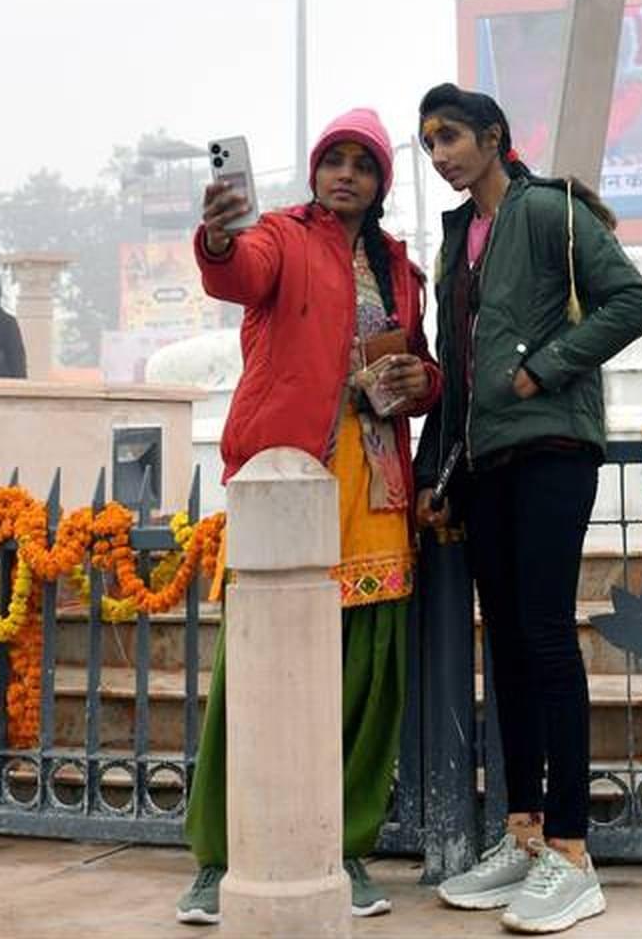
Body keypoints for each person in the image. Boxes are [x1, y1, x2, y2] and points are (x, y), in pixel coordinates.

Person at [177, 108, 442, 925]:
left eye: (365, 165)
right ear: (316, 170)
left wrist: (415, 385)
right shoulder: (282, 237)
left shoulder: (400, 267)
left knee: (366, 677)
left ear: (381, 183)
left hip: (377, 483)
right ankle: (220, 859)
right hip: (288, 477)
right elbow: (237, 275)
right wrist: (219, 238)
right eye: (336, 160)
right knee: (255, 675)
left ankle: (345, 847)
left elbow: (425, 369)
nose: (349, 176)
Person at [413, 83, 642, 935]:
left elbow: (634, 301)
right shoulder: (457, 240)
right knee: (508, 647)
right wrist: (431, 471)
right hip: (483, 465)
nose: (440, 156)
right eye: (429, 144)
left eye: (450, 138)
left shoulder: (550, 211)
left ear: (493, 137)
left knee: (547, 638)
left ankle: (572, 850)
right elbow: (452, 367)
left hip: (552, 446)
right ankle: (522, 835)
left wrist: (542, 369)